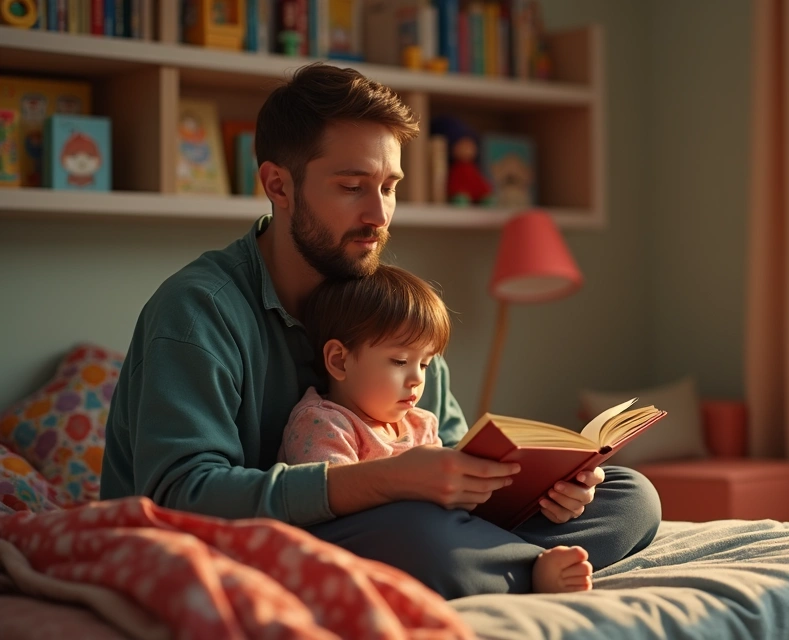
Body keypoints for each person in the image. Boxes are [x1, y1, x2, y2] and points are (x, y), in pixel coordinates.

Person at [99, 62, 661, 599]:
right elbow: (177, 500)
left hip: (404, 530)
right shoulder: (199, 309)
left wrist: (539, 489)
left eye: (389, 187)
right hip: (251, 545)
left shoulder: (389, 308)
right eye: (352, 187)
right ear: (278, 185)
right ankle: (509, 566)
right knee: (418, 536)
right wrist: (388, 481)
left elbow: (447, 452)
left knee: (631, 496)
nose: (380, 214)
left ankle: (489, 565)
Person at [280, 265, 593, 593]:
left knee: (631, 492)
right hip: (393, 544)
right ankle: (532, 568)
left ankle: (509, 565)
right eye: (400, 361)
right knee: (425, 533)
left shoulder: (422, 423)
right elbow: (332, 510)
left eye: (425, 363)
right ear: (340, 361)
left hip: (449, 534)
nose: (417, 379)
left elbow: (456, 508)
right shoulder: (322, 422)